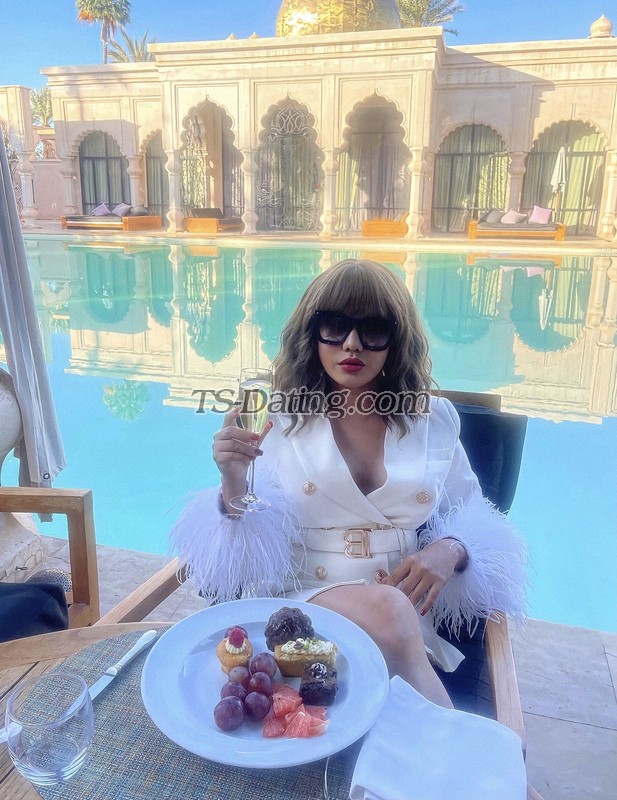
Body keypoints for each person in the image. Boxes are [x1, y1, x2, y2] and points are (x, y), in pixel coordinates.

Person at [171, 259, 527, 708]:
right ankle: (459, 743)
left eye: (373, 329)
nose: (352, 343)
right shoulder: (277, 415)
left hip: (405, 614)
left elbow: (476, 517)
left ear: (397, 338)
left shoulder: (433, 419)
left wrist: (452, 548)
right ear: (312, 332)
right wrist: (232, 481)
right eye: (335, 326)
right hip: (303, 603)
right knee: (389, 610)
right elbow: (242, 551)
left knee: (390, 620)